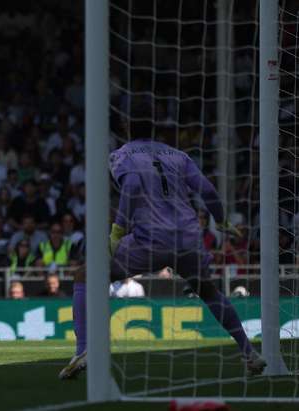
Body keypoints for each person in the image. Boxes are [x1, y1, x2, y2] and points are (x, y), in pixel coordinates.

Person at [59, 104, 266, 380]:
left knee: (85, 275)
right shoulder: (179, 155)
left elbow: (131, 186)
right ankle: (249, 353)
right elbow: (206, 188)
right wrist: (222, 221)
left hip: (151, 240)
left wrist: (118, 230)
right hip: (189, 238)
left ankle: (84, 349)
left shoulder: (121, 155)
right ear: (155, 129)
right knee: (209, 293)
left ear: (125, 129)